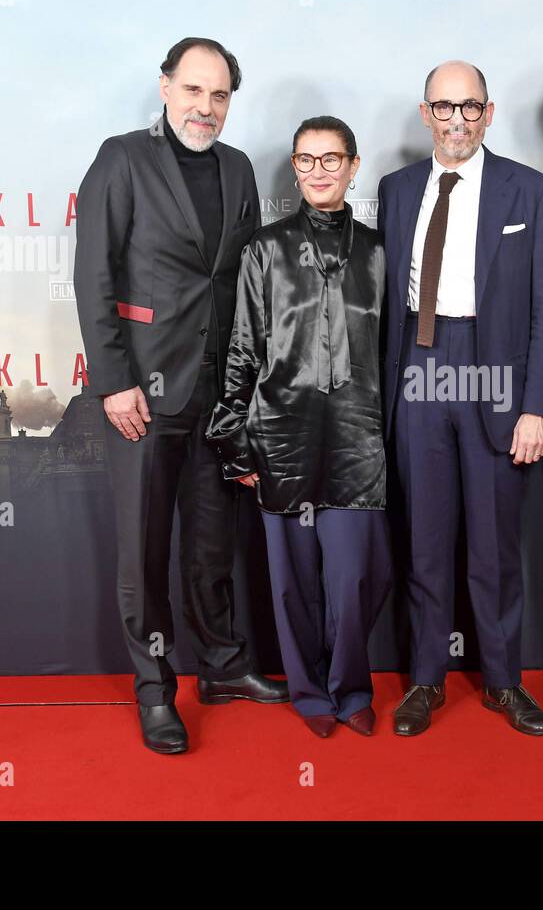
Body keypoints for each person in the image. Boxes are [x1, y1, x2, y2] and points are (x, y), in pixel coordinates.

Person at [74, 37, 288, 755]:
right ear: (165, 88)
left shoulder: (238, 168)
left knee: (211, 543)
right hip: (143, 391)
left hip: (219, 395)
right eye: (194, 90)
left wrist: (249, 387)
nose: (206, 106)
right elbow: (94, 276)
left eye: (220, 95)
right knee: (144, 551)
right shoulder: (122, 158)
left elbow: (248, 283)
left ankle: (224, 667)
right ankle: (155, 690)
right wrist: (113, 382)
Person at [377, 61, 543, 737]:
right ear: (425, 113)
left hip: (494, 373)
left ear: (489, 112)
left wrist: (538, 404)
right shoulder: (396, 190)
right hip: (418, 371)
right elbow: (384, 308)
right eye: (444, 106)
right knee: (424, 541)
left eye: (470, 107)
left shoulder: (529, 190)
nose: (457, 119)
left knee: (493, 546)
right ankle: (426, 680)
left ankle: (503, 681)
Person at [206, 117, 392, 738]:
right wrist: (236, 439)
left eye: (331, 159)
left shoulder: (377, 250)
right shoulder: (264, 248)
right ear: (294, 167)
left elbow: (391, 351)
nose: (318, 170)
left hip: (357, 436)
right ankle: (310, 695)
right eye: (306, 160)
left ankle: (352, 687)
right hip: (280, 431)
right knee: (290, 580)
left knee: (353, 577)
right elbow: (242, 350)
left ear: (353, 165)